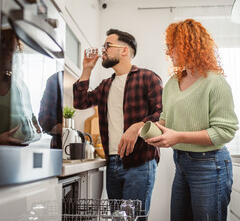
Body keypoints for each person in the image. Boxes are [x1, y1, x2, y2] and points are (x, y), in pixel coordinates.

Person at [145, 19, 239, 221]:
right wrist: (156, 129)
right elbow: (166, 118)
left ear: (189, 46)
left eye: (172, 47)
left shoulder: (215, 83)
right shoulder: (172, 83)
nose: (168, 53)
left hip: (210, 164)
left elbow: (225, 131)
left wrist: (178, 137)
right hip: (182, 163)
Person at [73, 29, 163, 216]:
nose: (102, 50)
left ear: (124, 50)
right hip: (112, 162)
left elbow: (161, 114)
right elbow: (80, 102)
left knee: (133, 219)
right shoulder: (106, 85)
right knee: (116, 218)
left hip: (139, 162)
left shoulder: (148, 78)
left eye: (107, 45)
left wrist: (137, 126)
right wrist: (87, 69)